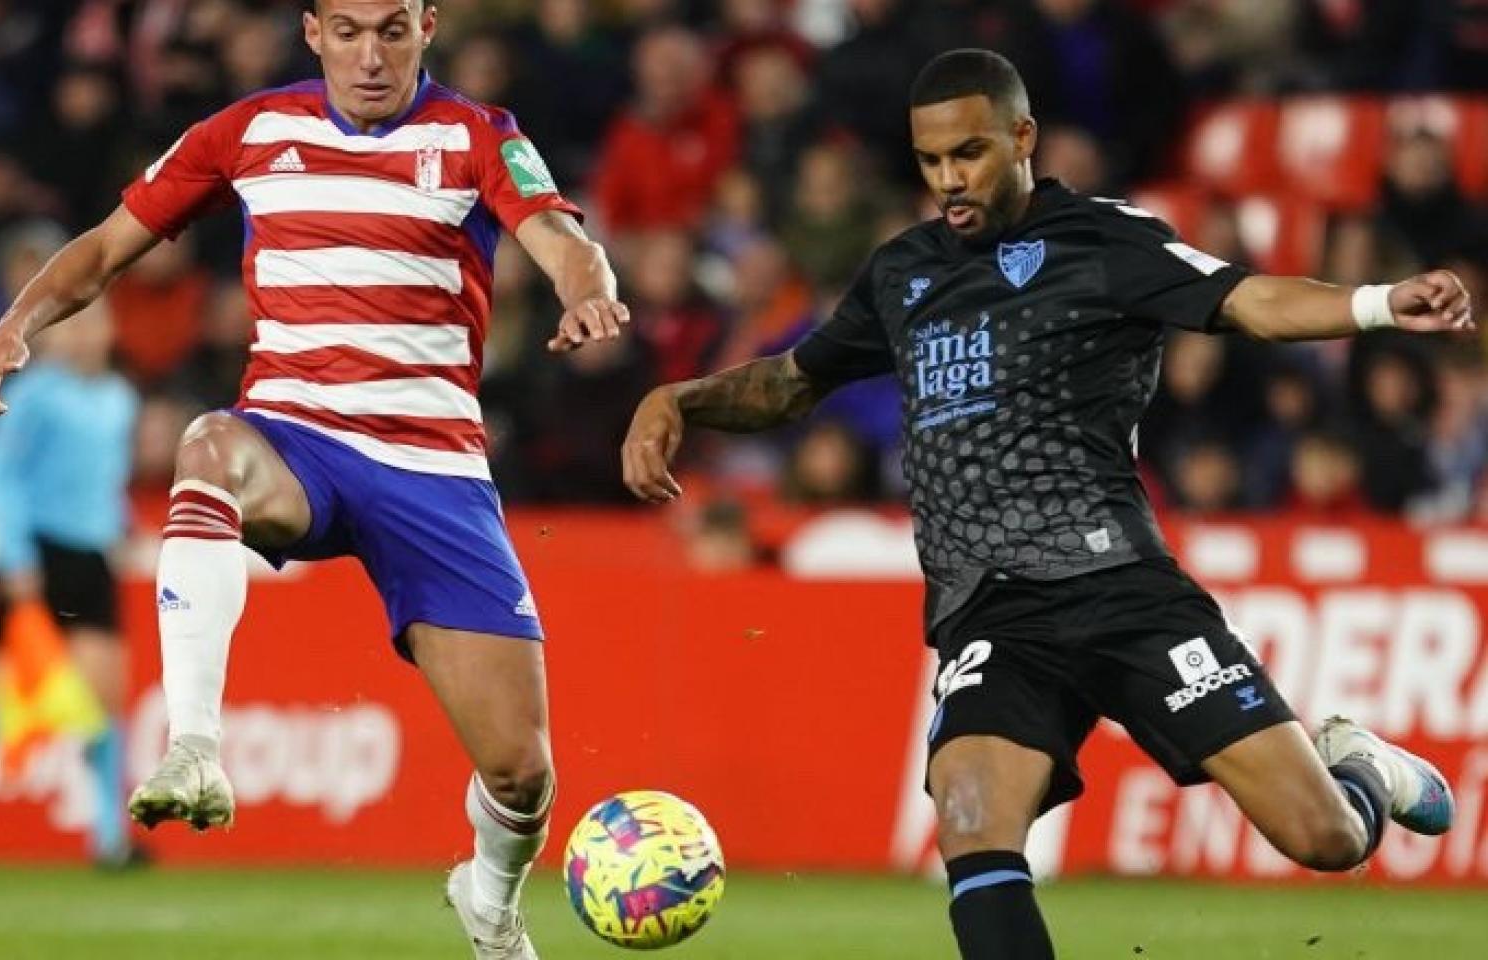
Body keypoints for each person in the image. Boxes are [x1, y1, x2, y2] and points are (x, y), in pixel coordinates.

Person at [622, 49, 1470, 960]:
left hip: (1121, 587)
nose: (949, 179)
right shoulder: (903, 274)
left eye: (970, 154)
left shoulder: (1103, 240)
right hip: (991, 609)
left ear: (1023, 138)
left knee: (1324, 838)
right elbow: (792, 384)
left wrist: (1380, 302)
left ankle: (1360, 765)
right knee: (971, 816)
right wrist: (679, 399)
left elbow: (1249, 300)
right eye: (931, 160)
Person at [0, 2, 629, 957]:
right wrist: (8, 330)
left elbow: (560, 235)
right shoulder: (248, 130)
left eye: (393, 29)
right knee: (207, 446)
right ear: (312, 33)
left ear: (429, 27)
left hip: (431, 471)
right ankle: (194, 746)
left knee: (521, 774)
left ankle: (492, 901)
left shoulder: (479, 136)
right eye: (348, 30)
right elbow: (102, 249)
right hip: (295, 438)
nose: (371, 55)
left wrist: (587, 288)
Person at [0, 299, 138, 869]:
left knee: (103, 699)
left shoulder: (120, 399)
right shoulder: (35, 396)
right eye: (77, 326)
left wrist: (120, 521)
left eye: (97, 323)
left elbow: (103, 477)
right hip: (38, 554)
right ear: (58, 337)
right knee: (7, 698)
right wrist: (15, 557)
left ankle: (109, 838)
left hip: (92, 559)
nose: (88, 336)